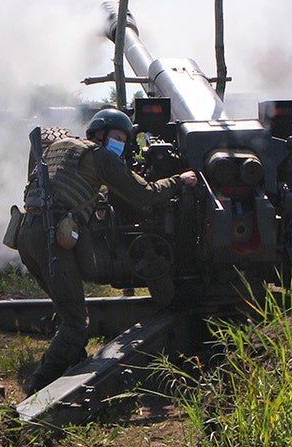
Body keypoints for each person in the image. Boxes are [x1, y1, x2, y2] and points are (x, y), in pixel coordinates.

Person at [15, 108, 198, 394]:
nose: (119, 144)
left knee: (67, 311)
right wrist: (178, 180)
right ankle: (38, 390)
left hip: (27, 234)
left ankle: (75, 364)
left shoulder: (59, 148)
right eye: (116, 137)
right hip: (52, 238)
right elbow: (144, 194)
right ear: (99, 135)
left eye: (124, 140)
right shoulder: (98, 156)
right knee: (76, 323)